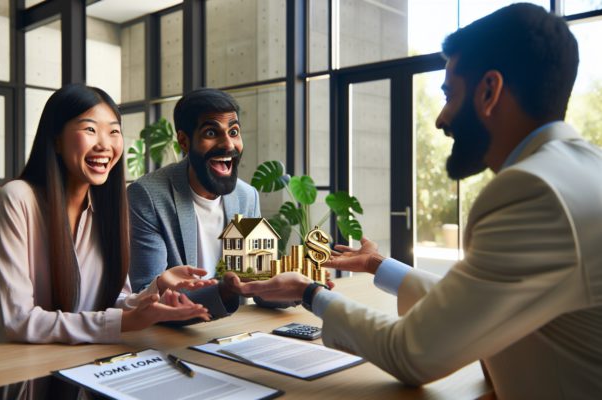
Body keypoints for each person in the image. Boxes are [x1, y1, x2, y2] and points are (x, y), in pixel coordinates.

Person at [234, 4, 602, 398]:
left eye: (450, 94)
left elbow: (412, 352)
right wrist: (379, 265)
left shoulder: (533, 193)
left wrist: (309, 293)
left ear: (489, 91)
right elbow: (473, 305)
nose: (442, 118)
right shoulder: (582, 171)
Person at [0, 83, 216, 344]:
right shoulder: (17, 198)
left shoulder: (108, 208)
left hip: (91, 362)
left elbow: (110, 305)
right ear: (56, 139)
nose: (105, 145)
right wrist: (126, 321)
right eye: (90, 130)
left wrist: (157, 288)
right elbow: (19, 321)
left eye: (114, 132)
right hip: (30, 369)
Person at [128, 88, 262, 322]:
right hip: (171, 334)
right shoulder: (147, 196)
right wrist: (224, 292)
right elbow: (147, 295)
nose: (228, 144)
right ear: (184, 141)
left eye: (234, 131)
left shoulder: (246, 196)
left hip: (232, 329)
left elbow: (255, 280)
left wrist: (300, 287)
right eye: (212, 132)